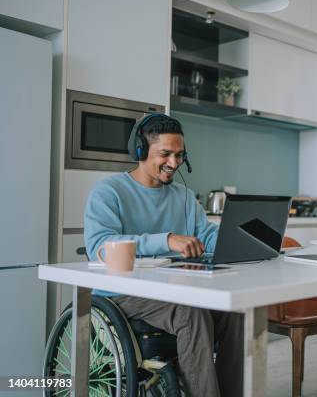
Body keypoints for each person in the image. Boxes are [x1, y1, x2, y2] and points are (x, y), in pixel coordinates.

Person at [84, 113, 243, 397]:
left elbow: (206, 236)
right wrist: (167, 240)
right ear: (141, 151)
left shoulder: (183, 196)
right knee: (190, 311)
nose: (174, 163)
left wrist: (242, 239)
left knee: (236, 311)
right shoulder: (109, 191)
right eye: (165, 154)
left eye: (179, 155)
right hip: (122, 293)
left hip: (171, 288)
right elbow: (100, 243)